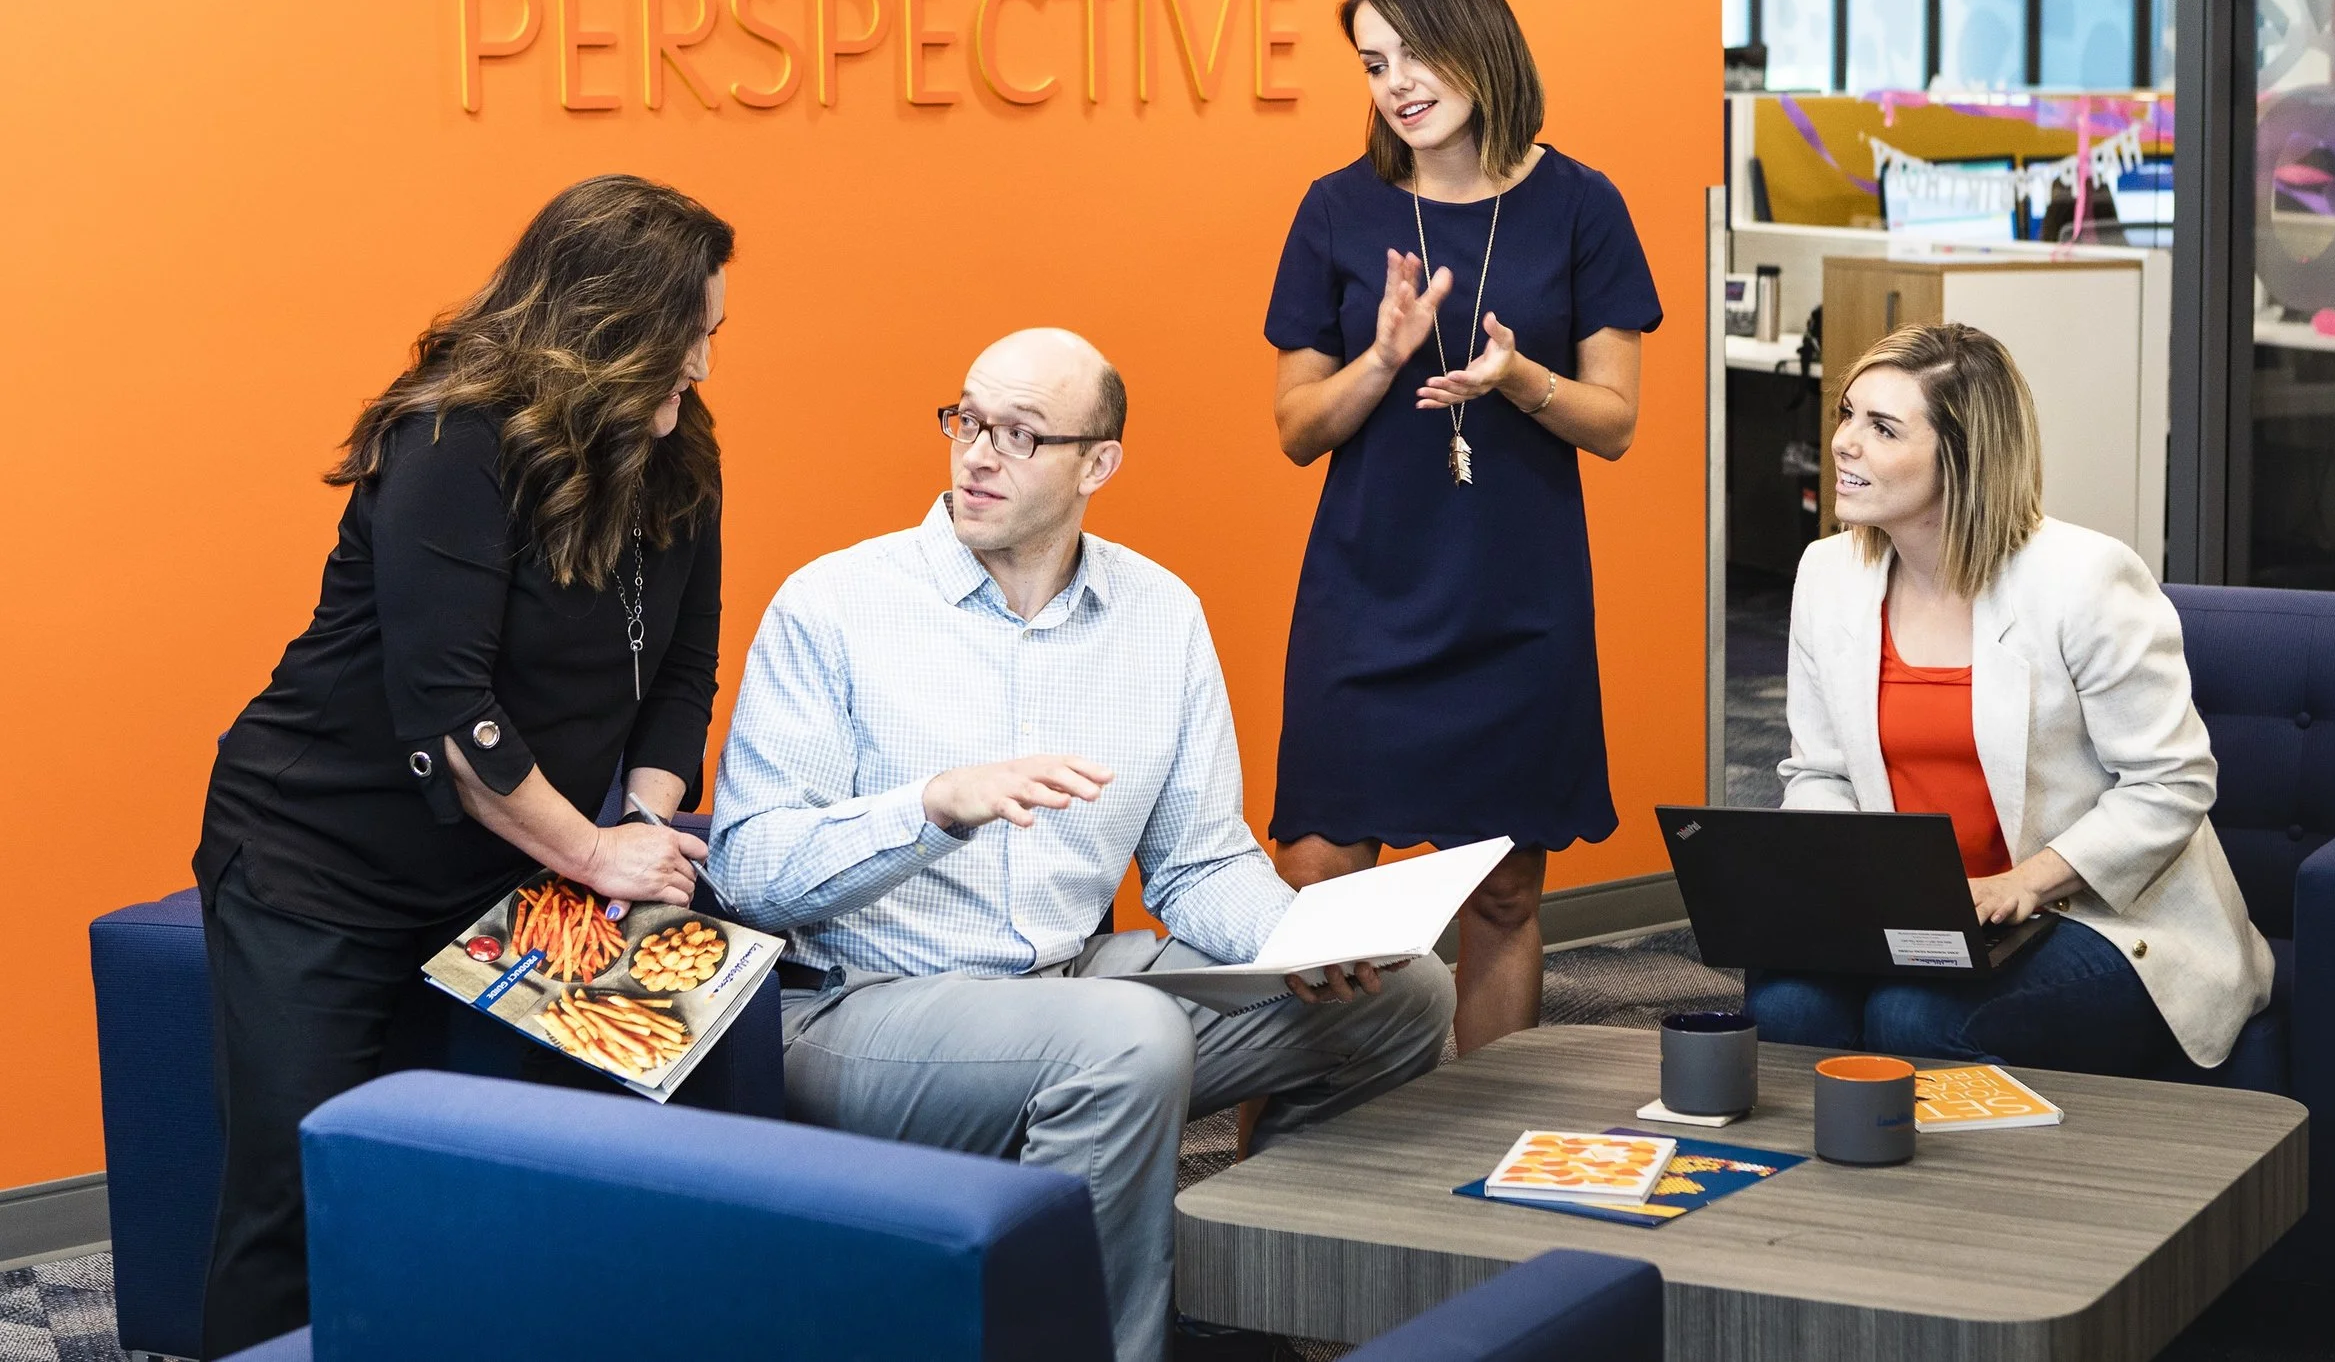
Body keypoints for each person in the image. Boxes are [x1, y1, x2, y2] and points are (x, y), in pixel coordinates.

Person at [707, 327, 1455, 1362]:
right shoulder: (835, 604)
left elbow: (1196, 860)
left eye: (1018, 434)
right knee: (1121, 1038)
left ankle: (1263, 1306)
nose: (975, 453)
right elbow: (747, 868)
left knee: (1402, 989)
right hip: (857, 1006)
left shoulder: (1158, 614)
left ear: (1097, 462)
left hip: (1069, 977)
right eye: (965, 419)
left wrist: (1297, 937)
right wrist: (933, 804)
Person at [191, 176, 732, 1357]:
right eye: (685, 335)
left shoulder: (680, 453)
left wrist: (638, 832)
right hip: (318, 861)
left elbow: (683, 672)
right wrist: (594, 851)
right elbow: (450, 712)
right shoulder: (451, 436)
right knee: (302, 1186)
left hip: (508, 855)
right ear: (606, 328)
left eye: (711, 336)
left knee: (635, 1121)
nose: (700, 363)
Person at [1263, 0, 1663, 1052]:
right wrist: (1380, 357)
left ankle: (1488, 1151)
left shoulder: (1581, 205)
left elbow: (1615, 421)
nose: (1395, 82)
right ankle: (1267, 1169)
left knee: (1502, 895)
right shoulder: (1336, 209)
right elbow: (1298, 428)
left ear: (1480, 44)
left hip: (1516, 603)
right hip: (1368, 593)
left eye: (1414, 51)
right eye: (1372, 61)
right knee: (1319, 896)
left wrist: (1516, 378)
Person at [1753, 322, 2273, 1075]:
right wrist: (1844, 890)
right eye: (1847, 414)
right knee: (1788, 1006)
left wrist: (2019, 883)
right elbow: (1822, 774)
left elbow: (2174, 784)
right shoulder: (1828, 574)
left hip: (2100, 916)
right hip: (1919, 916)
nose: (1843, 442)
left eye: (1883, 427)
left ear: (1962, 458)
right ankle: (1816, 1195)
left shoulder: (2084, 579)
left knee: (1910, 1016)